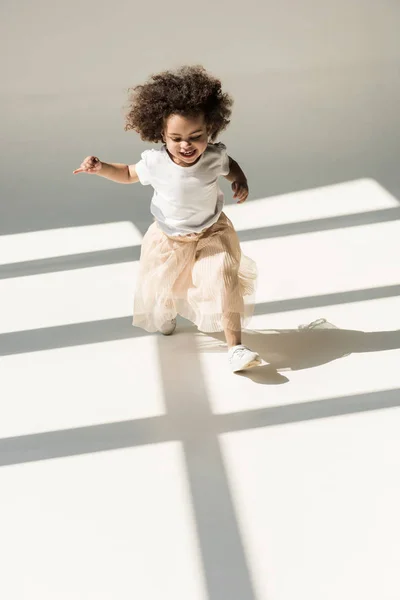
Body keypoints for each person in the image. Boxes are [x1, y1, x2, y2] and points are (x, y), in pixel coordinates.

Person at [73, 65, 261, 372]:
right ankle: (167, 312)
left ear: (209, 131)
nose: (186, 145)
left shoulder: (214, 156)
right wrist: (102, 167)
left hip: (212, 233)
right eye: (176, 138)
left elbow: (231, 166)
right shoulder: (156, 161)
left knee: (225, 280)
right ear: (161, 134)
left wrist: (240, 180)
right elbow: (128, 173)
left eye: (196, 136)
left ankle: (236, 347)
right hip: (169, 238)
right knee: (166, 288)